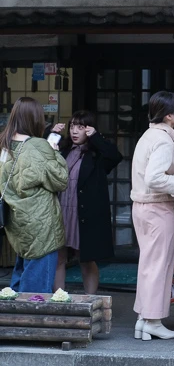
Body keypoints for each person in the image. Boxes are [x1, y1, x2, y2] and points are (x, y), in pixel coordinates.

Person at [131, 91, 174, 341]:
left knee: (149, 265)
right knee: (160, 266)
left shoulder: (149, 135)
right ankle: (153, 320)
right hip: (158, 208)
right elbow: (155, 178)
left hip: (143, 206)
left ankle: (144, 319)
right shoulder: (163, 140)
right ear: (170, 115)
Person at [0, 97, 68, 293]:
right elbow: (61, 180)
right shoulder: (38, 146)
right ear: (36, 119)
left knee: (20, 278)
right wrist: (55, 152)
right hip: (40, 224)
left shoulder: (4, 144)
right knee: (35, 292)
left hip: (17, 221)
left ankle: (12, 312)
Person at [51, 111, 122, 294]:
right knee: (59, 257)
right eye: (72, 126)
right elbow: (44, 158)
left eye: (80, 127)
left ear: (89, 129)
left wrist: (96, 137)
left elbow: (115, 156)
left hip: (84, 213)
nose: (74, 131)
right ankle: (60, 299)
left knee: (86, 259)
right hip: (61, 210)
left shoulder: (96, 154)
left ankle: (90, 299)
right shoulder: (64, 149)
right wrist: (52, 134)